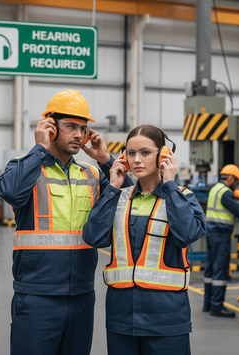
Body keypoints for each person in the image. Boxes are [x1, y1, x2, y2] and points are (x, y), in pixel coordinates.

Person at [0, 90, 132, 355]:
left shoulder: (92, 173)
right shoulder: (26, 168)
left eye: (83, 128)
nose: (79, 135)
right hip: (37, 296)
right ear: (50, 127)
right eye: (71, 126)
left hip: (82, 294)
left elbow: (131, 200)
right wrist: (39, 148)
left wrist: (105, 159)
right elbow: (10, 191)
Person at [82, 125, 207, 355]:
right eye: (131, 153)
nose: (137, 160)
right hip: (121, 319)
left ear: (163, 155)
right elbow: (93, 237)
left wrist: (170, 185)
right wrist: (112, 187)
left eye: (145, 152)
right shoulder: (118, 197)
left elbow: (187, 234)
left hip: (167, 320)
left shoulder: (183, 197)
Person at [203, 164, 239, 318]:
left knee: (211, 268)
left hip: (212, 232)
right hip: (221, 234)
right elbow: (238, 211)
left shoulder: (215, 188)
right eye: (237, 182)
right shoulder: (225, 193)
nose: (237, 185)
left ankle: (208, 303)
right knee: (220, 269)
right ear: (231, 178)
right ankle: (217, 306)